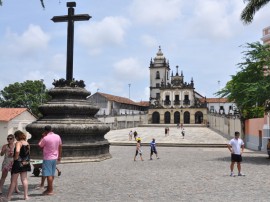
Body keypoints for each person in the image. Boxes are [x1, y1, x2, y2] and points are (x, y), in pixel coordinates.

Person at [6, 130, 31, 201]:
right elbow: (28, 153)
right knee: (24, 179)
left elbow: (17, 151)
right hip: (25, 163)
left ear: (17, 136)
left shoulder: (18, 143)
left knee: (13, 181)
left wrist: (15, 157)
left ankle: (8, 197)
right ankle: (26, 196)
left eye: (15, 136)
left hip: (18, 163)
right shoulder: (27, 143)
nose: (16, 138)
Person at [38, 125, 62, 195]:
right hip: (55, 157)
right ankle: (49, 188)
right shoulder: (57, 136)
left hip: (48, 158)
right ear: (52, 129)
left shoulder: (45, 138)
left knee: (48, 175)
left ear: (45, 131)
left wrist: (42, 137)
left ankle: (50, 190)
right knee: (52, 174)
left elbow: (40, 145)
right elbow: (60, 146)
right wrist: (59, 156)